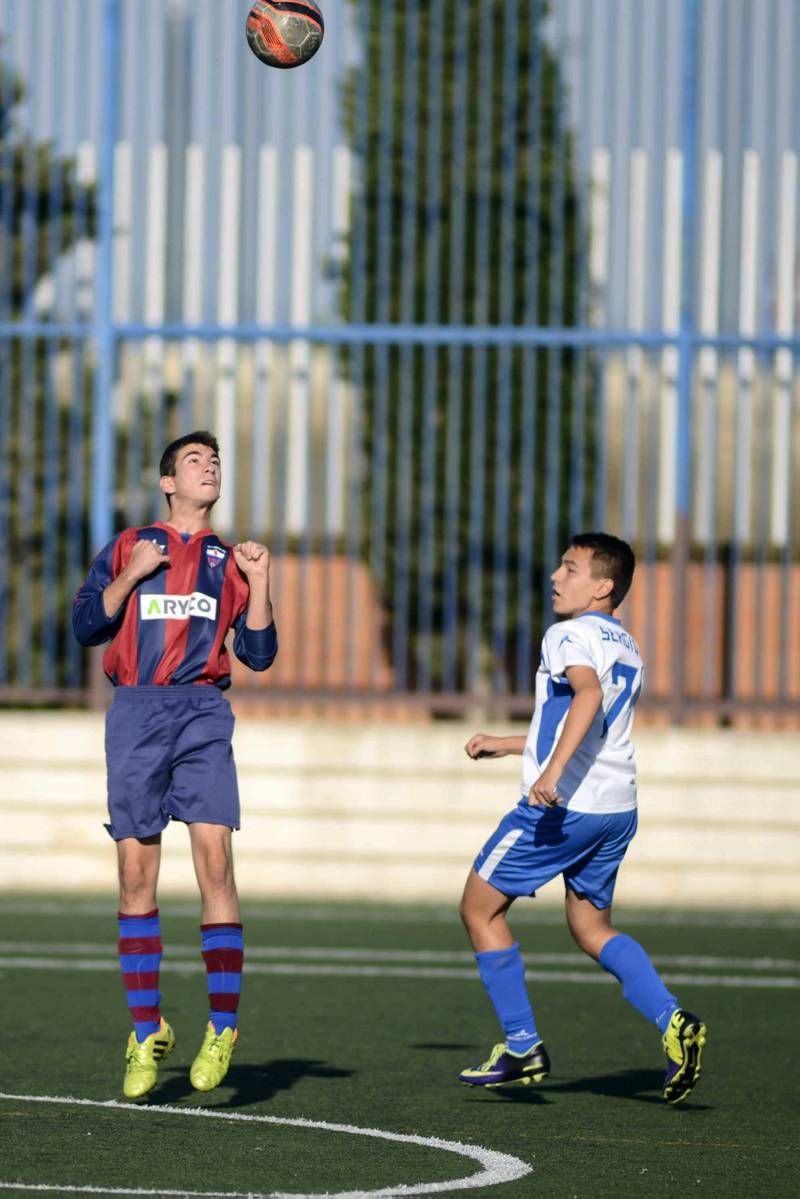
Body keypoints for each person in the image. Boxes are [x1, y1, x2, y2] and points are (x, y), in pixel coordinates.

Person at [458, 532, 707, 1105]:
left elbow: (586, 699)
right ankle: (673, 1022)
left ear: (603, 586)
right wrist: (507, 743)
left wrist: (549, 777)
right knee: (592, 928)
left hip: (565, 807)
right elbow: (586, 724)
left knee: (478, 908)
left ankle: (522, 1047)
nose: (555, 576)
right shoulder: (627, 644)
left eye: (569, 568)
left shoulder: (566, 633)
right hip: (616, 807)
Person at [72, 430, 277, 1100]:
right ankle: (145, 1029)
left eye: (215, 460)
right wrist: (131, 577)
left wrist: (262, 581)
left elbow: (260, 652)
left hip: (201, 711)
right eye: (194, 460)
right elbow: (84, 624)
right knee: (136, 873)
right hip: (135, 712)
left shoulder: (229, 559)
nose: (209, 466)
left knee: (215, 862)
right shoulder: (131, 545)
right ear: (168, 482)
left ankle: (223, 1026)